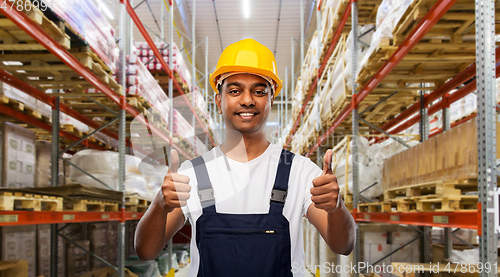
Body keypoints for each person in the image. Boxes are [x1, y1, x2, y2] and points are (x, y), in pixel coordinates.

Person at [134, 38, 355, 276]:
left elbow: (343, 246)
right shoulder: (192, 174)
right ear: (219, 101)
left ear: (271, 99)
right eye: (235, 90)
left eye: (259, 91)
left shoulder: (300, 171)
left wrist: (336, 208)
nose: (247, 100)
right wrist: (159, 204)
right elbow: (146, 251)